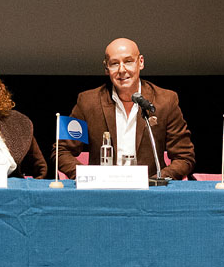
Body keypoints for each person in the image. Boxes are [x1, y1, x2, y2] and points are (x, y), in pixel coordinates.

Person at [53, 38, 195, 179]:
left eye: (128, 61)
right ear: (106, 68)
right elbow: (60, 151)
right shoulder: (87, 102)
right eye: (114, 63)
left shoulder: (166, 101)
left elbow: (184, 157)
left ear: (140, 62)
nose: (122, 70)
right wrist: (87, 177)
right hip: (101, 193)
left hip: (149, 192)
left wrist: (156, 180)